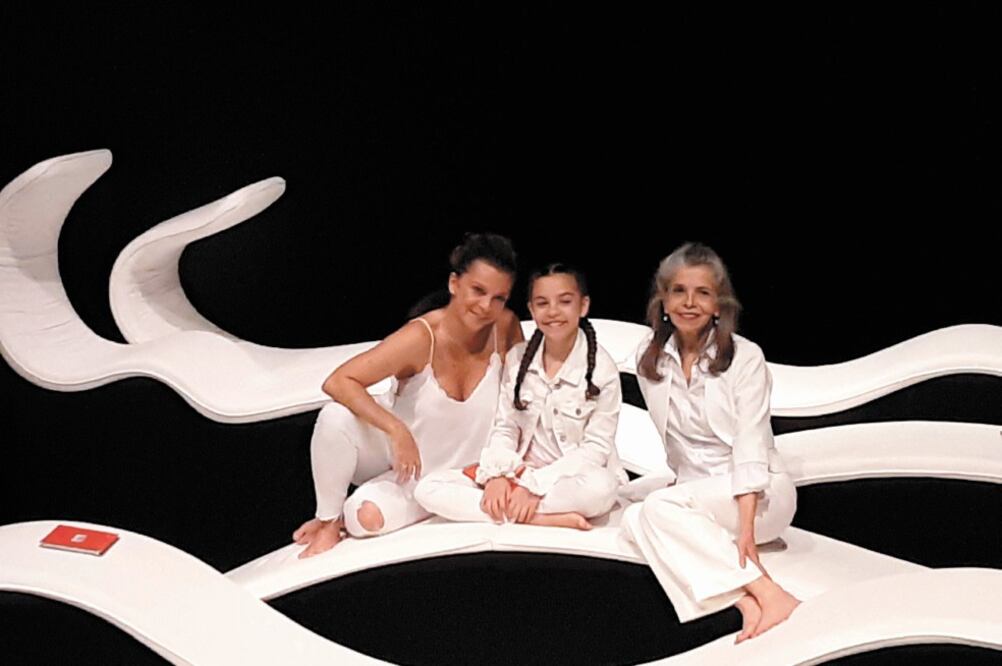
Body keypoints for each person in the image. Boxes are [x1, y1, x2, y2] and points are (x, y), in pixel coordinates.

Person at [293, 233, 524, 557]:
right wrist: (396, 429)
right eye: (478, 291)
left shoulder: (506, 327)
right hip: (411, 470)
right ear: (455, 284)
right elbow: (339, 380)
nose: (487, 306)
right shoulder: (421, 337)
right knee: (337, 424)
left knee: (365, 514)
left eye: (499, 298)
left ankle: (442, 502)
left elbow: (524, 397)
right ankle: (328, 521)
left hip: (472, 473)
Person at [622, 242, 799, 642]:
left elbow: (751, 446)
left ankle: (770, 591)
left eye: (702, 293)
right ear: (663, 301)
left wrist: (746, 532)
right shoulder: (649, 359)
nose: (689, 302)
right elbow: (681, 452)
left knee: (656, 508)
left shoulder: (745, 357)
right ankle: (747, 603)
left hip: (759, 495)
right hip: (696, 496)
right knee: (634, 519)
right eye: (679, 291)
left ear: (719, 305)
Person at [415, 264, 627, 530]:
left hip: (566, 479)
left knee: (603, 489)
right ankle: (540, 518)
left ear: (583, 306)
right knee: (428, 488)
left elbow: (595, 450)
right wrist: (499, 476)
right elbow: (505, 427)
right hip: (518, 471)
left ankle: (513, 510)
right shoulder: (517, 359)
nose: (553, 312)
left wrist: (535, 487)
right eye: (542, 303)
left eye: (564, 302)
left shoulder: (602, 371)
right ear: (531, 309)